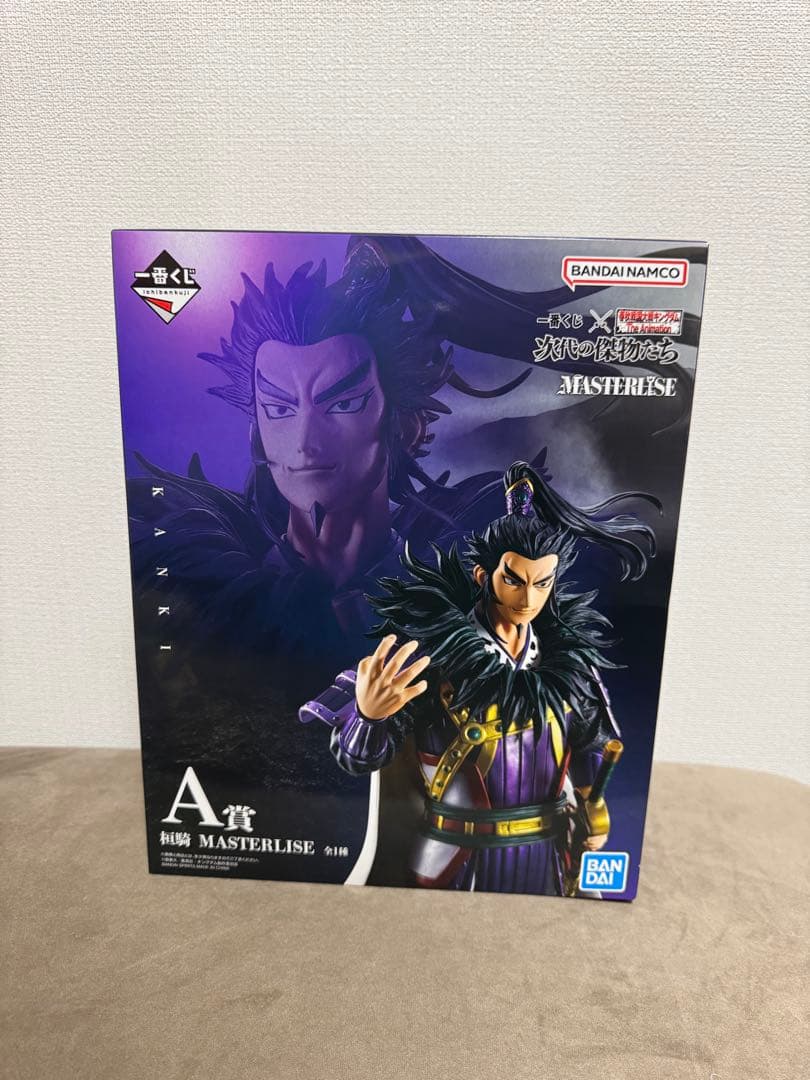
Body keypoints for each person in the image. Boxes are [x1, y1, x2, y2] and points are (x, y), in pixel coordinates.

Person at [300, 462, 644, 894]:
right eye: (514, 580)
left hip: (548, 858)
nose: (528, 598)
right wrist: (369, 717)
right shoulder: (431, 656)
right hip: (455, 862)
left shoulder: (568, 662)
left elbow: (591, 740)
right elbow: (358, 759)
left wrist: (595, 805)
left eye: (542, 583)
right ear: (484, 575)